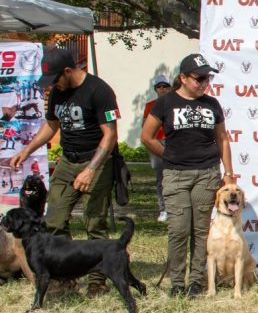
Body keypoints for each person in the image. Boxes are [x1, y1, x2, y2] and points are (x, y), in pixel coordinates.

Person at [11, 47, 120, 298]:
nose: (53, 86)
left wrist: (91, 170)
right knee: (54, 220)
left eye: (56, 79)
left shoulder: (99, 90)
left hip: (97, 160)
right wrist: (27, 150)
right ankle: (66, 274)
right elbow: (51, 125)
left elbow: (110, 135)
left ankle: (97, 279)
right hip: (67, 161)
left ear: (68, 71)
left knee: (95, 222)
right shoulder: (59, 93)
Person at [141, 54, 234, 298]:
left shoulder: (212, 104)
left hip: (207, 173)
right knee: (179, 229)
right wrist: (168, 155)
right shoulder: (165, 103)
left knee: (200, 229)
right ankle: (177, 282)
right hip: (176, 174)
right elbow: (147, 137)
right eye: (199, 78)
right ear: (182, 77)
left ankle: (195, 281)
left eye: (208, 78)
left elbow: (222, 138)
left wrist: (229, 173)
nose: (205, 83)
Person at [143, 74, 172, 222]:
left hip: (172, 142)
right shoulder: (150, 105)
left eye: (165, 86)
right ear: (155, 89)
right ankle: (163, 209)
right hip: (156, 142)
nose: (162, 89)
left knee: (174, 176)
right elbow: (145, 128)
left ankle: (174, 208)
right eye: (159, 87)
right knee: (160, 177)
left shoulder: (175, 103)